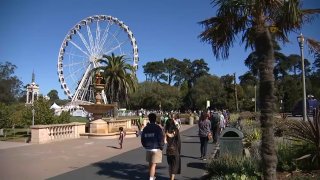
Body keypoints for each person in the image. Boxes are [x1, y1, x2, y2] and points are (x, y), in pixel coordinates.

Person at [141, 113, 165, 180]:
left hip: (148, 148)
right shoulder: (157, 128)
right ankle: (151, 178)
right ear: (155, 119)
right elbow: (160, 138)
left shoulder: (146, 128)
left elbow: (142, 138)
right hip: (156, 148)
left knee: (150, 163)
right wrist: (161, 146)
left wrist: (145, 145)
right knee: (154, 165)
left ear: (149, 119)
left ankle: (151, 175)